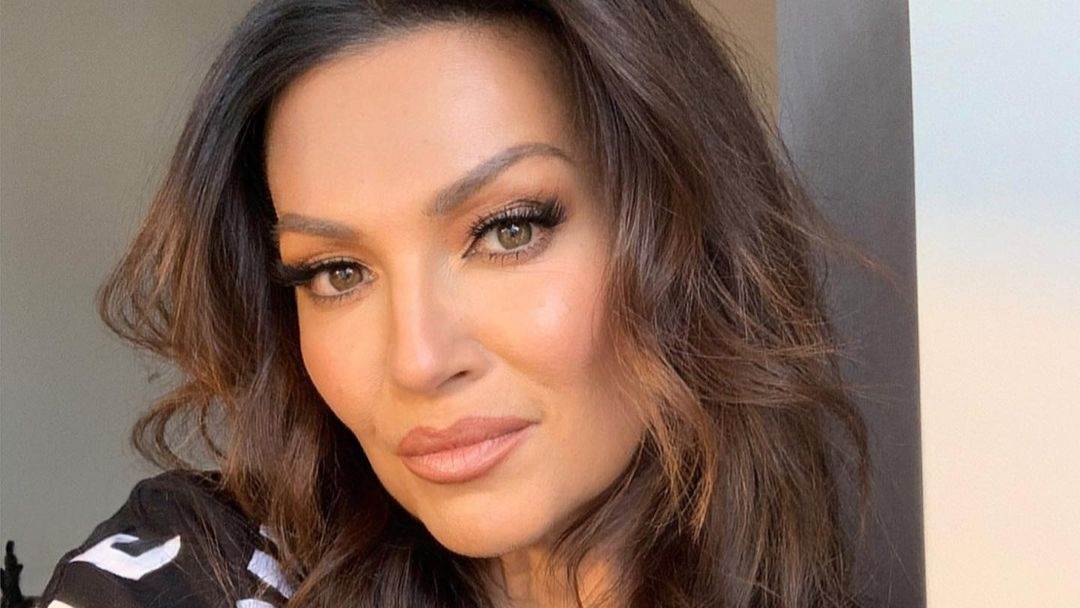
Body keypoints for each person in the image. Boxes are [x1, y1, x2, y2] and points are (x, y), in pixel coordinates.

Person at [36, 1, 888, 606]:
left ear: (682, 229)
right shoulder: (194, 572)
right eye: (336, 272)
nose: (418, 359)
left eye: (507, 230)